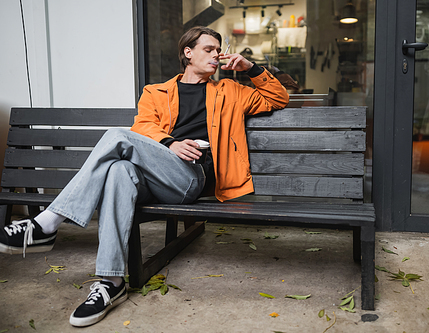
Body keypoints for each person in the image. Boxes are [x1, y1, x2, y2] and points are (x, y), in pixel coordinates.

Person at [0, 26, 288, 327]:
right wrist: (170, 144)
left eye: (219, 50)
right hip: (155, 178)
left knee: (115, 136)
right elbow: (144, 128)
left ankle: (47, 223)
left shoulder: (231, 92)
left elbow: (278, 98)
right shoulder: (155, 92)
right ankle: (111, 283)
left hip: (192, 178)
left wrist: (250, 67)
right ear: (187, 53)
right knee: (119, 171)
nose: (216, 55)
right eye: (208, 49)